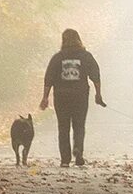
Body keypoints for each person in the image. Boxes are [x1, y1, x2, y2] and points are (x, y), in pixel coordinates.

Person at [40, 28, 104, 166]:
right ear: (78, 39)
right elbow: (95, 75)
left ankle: (65, 159)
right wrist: (98, 94)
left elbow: (48, 78)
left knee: (63, 127)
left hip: (61, 96)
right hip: (80, 96)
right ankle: (78, 150)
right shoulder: (86, 56)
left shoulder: (58, 57)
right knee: (79, 125)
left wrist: (45, 97)